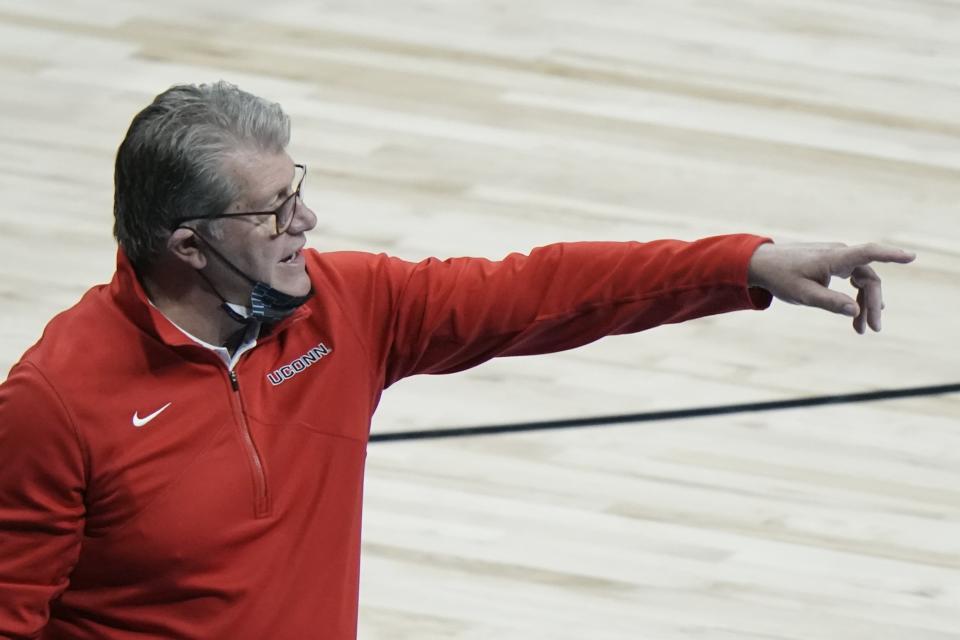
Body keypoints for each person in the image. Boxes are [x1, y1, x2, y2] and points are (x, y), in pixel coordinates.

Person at [0, 81, 915, 640]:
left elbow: (539, 290)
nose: (305, 224)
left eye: (299, 192)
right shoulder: (58, 401)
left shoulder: (342, 309)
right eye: (274, 211)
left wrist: (741, 263)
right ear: (188, 244)